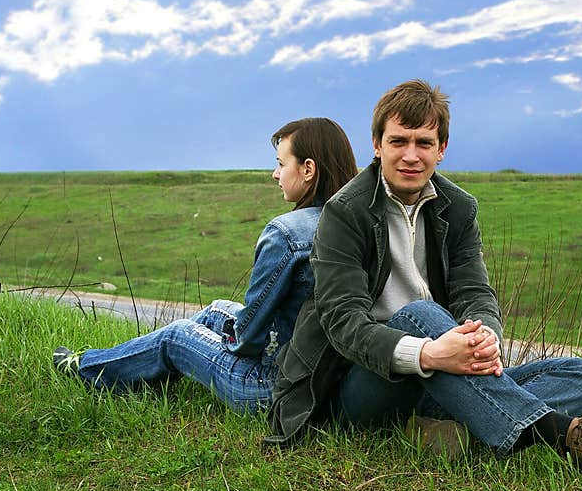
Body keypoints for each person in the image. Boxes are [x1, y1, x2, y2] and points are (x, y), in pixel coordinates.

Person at [264, 80, 582, 474]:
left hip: (440, 377)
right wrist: (428, 352)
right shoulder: (344, 212)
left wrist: (485, 337)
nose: (411, 156)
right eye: (399, 142)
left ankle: (449, 430)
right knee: (421, 315)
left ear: (442, 149)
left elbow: (474, 291)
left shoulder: (459, 208)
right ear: (377, 145)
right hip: (361, 382)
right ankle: (566, 436)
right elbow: (343, 323)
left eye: (424, 143)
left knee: (579, 374)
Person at [52, 117, 358, 413]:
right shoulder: (357, 225)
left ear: (308, 169)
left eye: (280, 164)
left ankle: (87, 370)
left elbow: (247, 340)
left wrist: (221, 343)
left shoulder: (287, 233)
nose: (275, 174)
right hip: (329, 380)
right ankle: (132, 371)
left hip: (273, 388)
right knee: (217, 310)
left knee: (178, 335)